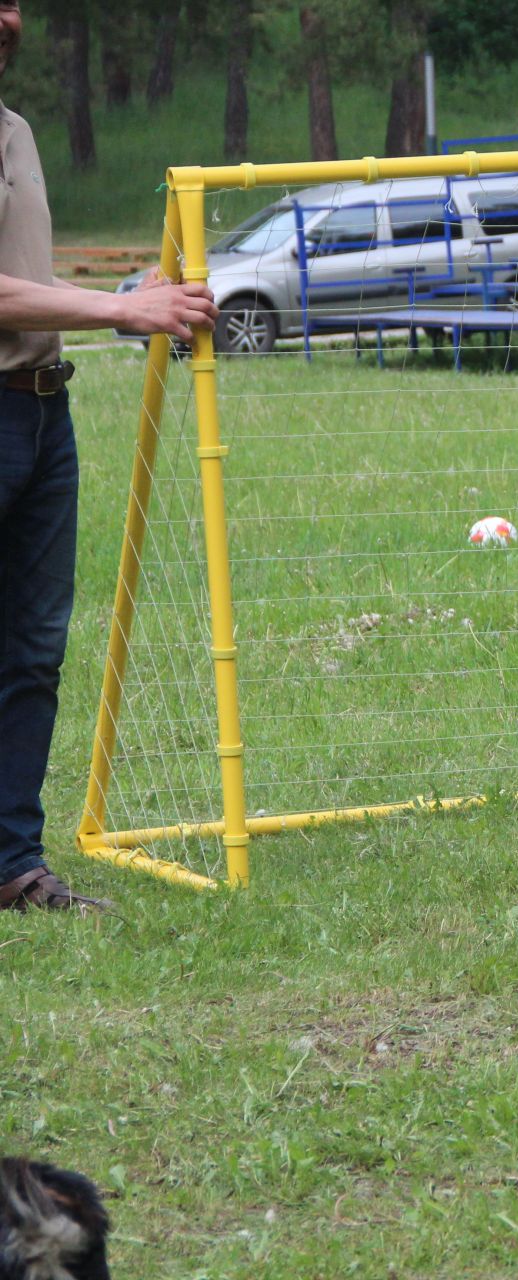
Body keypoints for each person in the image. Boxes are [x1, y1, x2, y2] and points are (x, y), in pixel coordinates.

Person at [0, 0, 218, 911]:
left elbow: (28, 282)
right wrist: (123, 314)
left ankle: (12, 866)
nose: (8, 18)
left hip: (44, 416)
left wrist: (129, 290)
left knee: (32, 651)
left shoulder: (15, 130)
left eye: (13, 3)